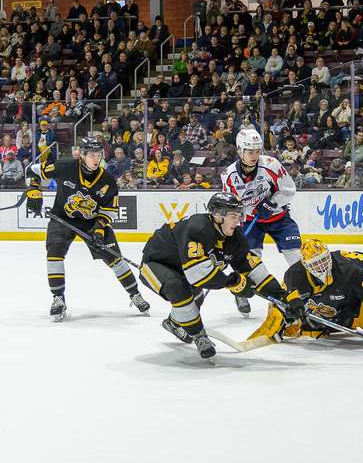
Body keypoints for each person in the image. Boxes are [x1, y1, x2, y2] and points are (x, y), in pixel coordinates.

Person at [139, 192, 287, 360]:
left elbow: (254, 270)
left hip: (185, 268)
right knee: (179, 289)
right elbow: (196, 275)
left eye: (239, 215)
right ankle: (199, 336)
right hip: (155, 264)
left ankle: (173, 323)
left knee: (195, 297)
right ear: (217, 215)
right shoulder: (198, 228)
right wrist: (230, 282)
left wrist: (284, 298)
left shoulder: (235, 238)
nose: (238, 220)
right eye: (233, 216)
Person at [25, 138, 149, 320]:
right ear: (82, 155)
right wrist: (34, 190)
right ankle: (58, 298)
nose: (96, 159)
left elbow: (109, 211)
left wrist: (99, 230)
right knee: (54, 253)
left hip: (93, 223)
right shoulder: (64, 166)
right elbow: (31, 171)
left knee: (115, 258)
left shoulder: (107, 181)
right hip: (62, 218)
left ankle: (135, 294)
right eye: (91, 155)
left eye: (99, 155)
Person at [221, 127, 300, 316]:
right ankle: (240, 291)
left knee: (295, 257)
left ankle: (304, 293)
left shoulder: (271, 164)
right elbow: (230, 205)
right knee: (250, 261)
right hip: (250, 222)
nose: (255, 155)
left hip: (279, 218)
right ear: (240, 150)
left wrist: (272, 203)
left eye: (257, 151)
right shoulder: (229, 174)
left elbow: (289, 189)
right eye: (250, 151)